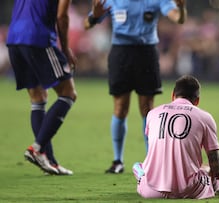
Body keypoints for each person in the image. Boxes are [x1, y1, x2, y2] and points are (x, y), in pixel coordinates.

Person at [83, 0, 187, 174]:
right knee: (120, 107)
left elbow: (178, 19)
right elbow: (87, 24)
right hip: (121, 53)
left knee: (147, 108)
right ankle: (118, 161)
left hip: (146, 53)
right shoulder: (111, 1)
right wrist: (94, 16)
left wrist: (182, 8)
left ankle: (150, 161)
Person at [132, 75, 219, 199]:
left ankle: (141, 173)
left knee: (139, 166)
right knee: (209, 174)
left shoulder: (152, 114)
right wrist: (218, 172)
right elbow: (217, 169)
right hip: (189, 190)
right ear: (197, 101)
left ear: (172, 95)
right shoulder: (205, 117)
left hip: (151, 191)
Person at [6, 0, 77, 175]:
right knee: (68, 93)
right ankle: (37, 149)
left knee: (37, 98)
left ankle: (48, 161)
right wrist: (66, 49)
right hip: (38, 38)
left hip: (14, 39)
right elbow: (61, 15)